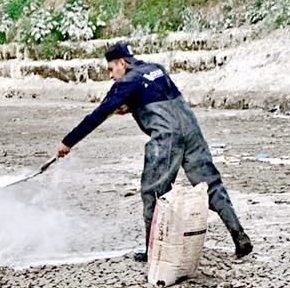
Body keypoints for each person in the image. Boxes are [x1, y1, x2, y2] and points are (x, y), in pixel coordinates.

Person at [57, 42, 253, 260]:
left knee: (153, 193)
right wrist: (131, 106)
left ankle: (153, 252)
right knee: (210, 184)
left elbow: (99, 114)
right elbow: (156, 96)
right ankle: (239, 236)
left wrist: (68, 142)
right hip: (191, 129)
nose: (112, 76)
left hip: (166, 138)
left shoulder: (126, 82)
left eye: (111, 69)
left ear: (122, 63)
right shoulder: (156, 68)